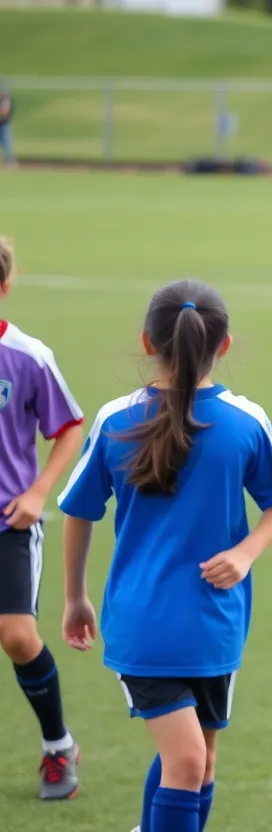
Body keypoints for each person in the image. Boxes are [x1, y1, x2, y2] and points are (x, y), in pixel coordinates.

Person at [57, 280, 272, 832]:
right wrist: (76, 598)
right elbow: (82, 507)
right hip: (147, 624)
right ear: (225, 344)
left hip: (214, 624)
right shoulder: (122, 421)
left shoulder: (241, 423)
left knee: (199, 760)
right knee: (188, 759)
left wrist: (244, 553)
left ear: (148, 342)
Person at [0, 237, 85, 800]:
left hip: (9, 522)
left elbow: (68, 428)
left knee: (17, 636)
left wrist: (38, 492)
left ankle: (58, 746)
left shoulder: (28, 357)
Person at [0, 92, 14, 167]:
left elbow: (5, 112)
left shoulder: (6, 101)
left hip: (4, 124)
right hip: (2, 123)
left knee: (6, 142)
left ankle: (10, 159)